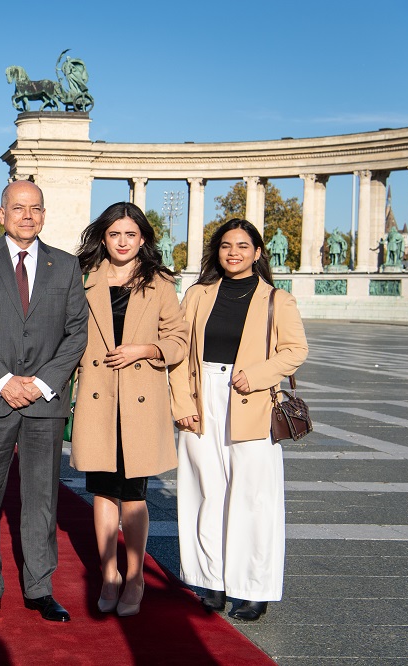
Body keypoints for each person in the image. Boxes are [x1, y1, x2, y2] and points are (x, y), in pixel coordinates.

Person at [0, 180, 88, 624]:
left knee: (42, 497)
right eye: (18, 208)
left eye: (35, 209)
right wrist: (4, 380)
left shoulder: (65, 266)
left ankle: (39, 588)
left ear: (44, 215)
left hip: (44, 403)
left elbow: (76, 333)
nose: (27, 216)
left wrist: (43, 382)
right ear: (2, 212)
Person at [169, 218, 308, 621]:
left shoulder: (276, 299)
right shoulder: (197, 295)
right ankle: (210, 580)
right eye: (227, 246)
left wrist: (259, 374)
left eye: (243, 246)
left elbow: (295, 350)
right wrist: (182, 404)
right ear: (217, 251)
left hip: (252, 399)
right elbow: (179, 353)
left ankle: (253, 587)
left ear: (258, 252)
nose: (234, 253)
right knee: (204, 491)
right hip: (202, 396)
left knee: (252, 497)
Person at [70, 202, 189, 617]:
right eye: (115, 234)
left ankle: (135, 574)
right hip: (98, 398)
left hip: (140, 399)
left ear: (143, 239)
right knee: (102, 490)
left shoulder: (160, 284)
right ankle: (109, 574)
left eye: (131, 235)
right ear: (103, 237)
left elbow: (179, 339)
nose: (122, 242)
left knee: (134, 495)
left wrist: (148, 349)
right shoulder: (83, 278)